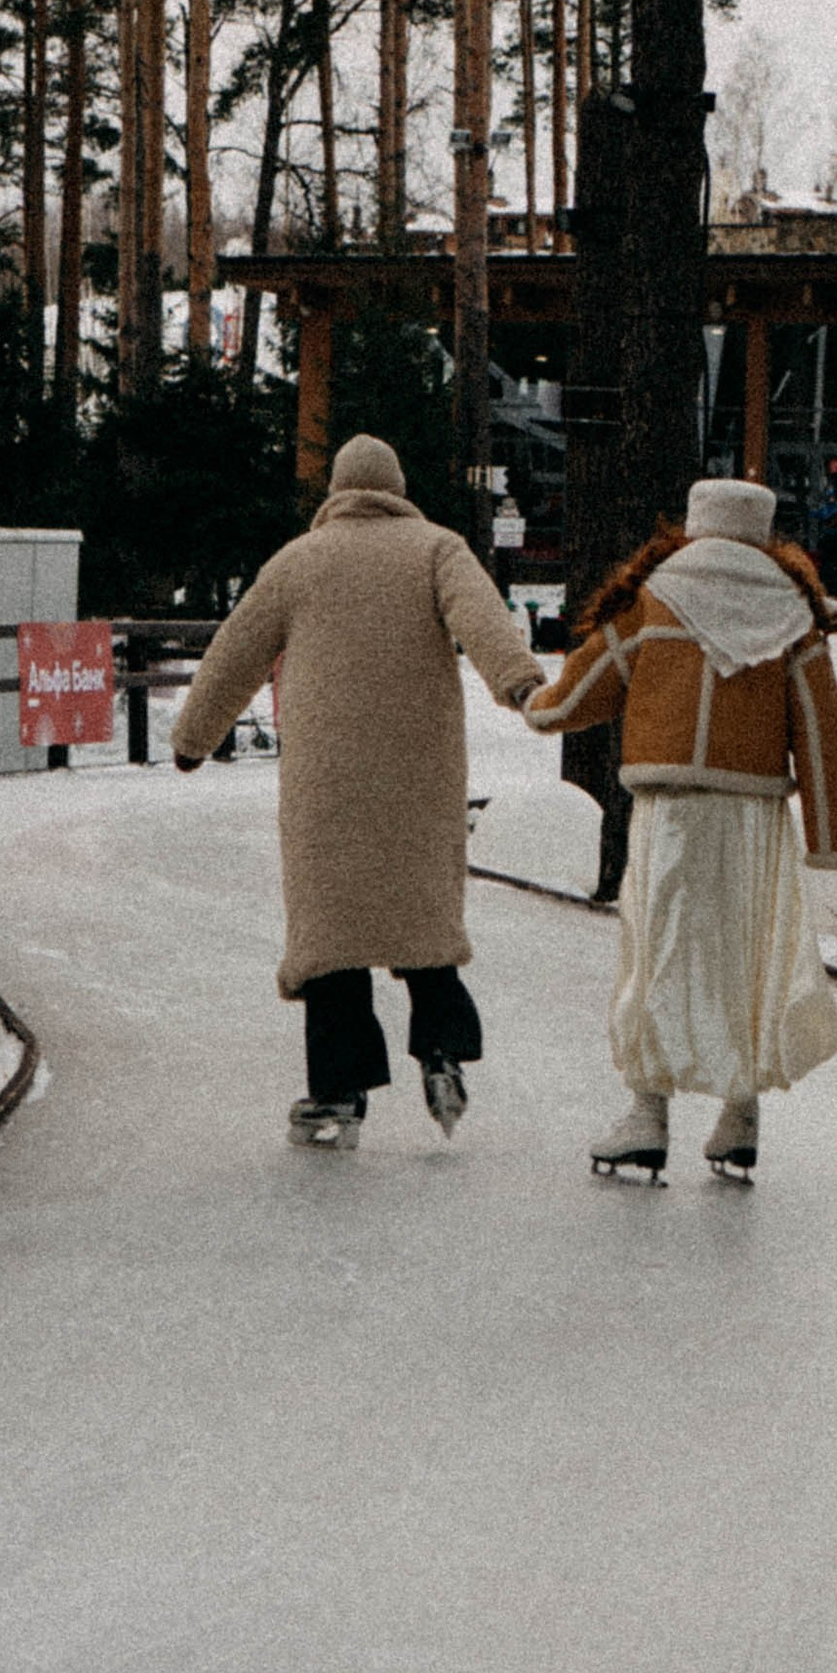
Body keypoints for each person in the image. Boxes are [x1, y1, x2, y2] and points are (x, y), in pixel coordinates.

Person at [170, 433, 543, 1148]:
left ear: (337, 492)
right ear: (397, 489)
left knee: (333, 940)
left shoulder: (298, 562)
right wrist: (519, 683)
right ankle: (442, 1051)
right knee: (423, 921)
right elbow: (483, 621)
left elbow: (233, 651)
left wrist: (194, 737)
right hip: (421, 772)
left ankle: (338, 1092)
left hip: (325, 781)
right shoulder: (437, 548)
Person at [524, 477, 837, 1186]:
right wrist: (833, 850)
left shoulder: (652, 600)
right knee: (745, 956)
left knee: (657, 955)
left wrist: (534, 703)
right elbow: (824, 741)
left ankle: (647, 1116)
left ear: (693, 525)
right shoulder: (794, 614)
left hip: (669, 810)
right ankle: (740, 1116)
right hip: (754, 817)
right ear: (765, 534)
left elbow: (577, 697)